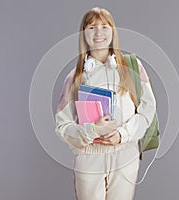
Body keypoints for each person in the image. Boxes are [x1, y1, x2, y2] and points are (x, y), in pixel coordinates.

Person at [55, 7, 156, 200]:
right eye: (92, 27)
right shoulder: (75, 77)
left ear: (113, 31)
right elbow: (62, 126)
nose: (99, 32)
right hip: (89, 158)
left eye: (104, 26)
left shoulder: (132, 68)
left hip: (125, 155)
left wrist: (122, 134)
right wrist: (92, 130)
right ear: (84, 33)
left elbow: (148, 109)